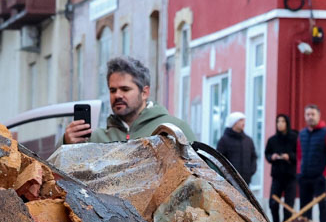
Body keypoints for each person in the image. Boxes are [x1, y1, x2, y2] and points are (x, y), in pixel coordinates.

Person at [64, 56, 197, 145]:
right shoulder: (95, 139)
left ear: (144, 92)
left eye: (125, 89)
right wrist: (66, 142)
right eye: (113, 90)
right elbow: (55, 176)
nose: (117, 95)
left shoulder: (173, 129)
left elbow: (202, 176)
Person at [296, 104, 326, 222]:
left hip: (320, 177)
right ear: (305, 117)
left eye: (313, 114)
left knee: (323, 207)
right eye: (308, 115)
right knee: (304, 209)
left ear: (318, 116)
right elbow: (299, 155)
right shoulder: (302, 134)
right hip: (304, 177)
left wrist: (325, 174)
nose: (310, 117)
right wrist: (299, 172)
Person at [264, 113, 298, 222]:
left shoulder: (294, 138)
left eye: (282, 121)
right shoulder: (272, 140)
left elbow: (299, 155)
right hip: (277, 176)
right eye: (278, 121)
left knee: (288, 206)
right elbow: (267, 153)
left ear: (287, 123)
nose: (280, 124)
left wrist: (290, 156)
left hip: (290, 177)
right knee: (273, 203)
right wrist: (272, 157)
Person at [215, 111, 257, 185]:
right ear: (234, 122)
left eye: (244, 120)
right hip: (229, 181)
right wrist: (226, 174)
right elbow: (219, 159)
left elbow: (253, 157)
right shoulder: (224, 140)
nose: (243, 123)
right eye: (240, 120)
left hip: (246, 180)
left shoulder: (248, 140)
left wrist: (251, 172)